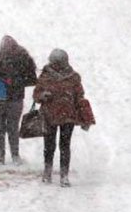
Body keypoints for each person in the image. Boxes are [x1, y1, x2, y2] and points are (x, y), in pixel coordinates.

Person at [33, 49, 89, 187]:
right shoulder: (46, 75)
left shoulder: (73, 77)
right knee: (50, 145)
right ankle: (48, 172)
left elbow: (79, 97)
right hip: (51, 115)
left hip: (66, 116)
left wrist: (85, 117)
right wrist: (42, 95)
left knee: (63, 146)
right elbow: (36, 94)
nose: (56, 64)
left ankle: (63, 175)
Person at [0, 35, 37, 165]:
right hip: (3, 99)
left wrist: (13, 81)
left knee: (7, 129)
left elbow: (32, 79)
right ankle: (4, 157)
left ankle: (9, 156)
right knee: (2, 129)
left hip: (11, 98)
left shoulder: (23, 59)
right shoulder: (2, 58)